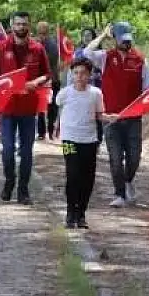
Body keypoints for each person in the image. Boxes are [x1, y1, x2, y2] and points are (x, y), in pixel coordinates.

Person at [80, 21, 149, 207]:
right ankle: (120, 194)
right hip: (111, 117)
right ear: (115, 39)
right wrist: (102, 36)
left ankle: (128, 180)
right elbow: (86, 53)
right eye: (122, 40)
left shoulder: (140, 60)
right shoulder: (105, 57)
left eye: (128, 40)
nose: (126, 44)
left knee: (134, 156)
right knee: (115, 157)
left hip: (133, 117)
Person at [0, 12, 52, 205]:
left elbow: (47, 74)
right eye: (18, 24)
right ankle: (9, 181)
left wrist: (36, 81)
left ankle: (23, 190)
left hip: (29, 107)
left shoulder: (37, 49)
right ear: (12, 25)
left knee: (26, 152)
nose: (21, 27)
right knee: (8, 150)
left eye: (24, 24)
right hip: (7, 108)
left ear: (29, 25)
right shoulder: (1, 48)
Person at [57, 57, 105, 229]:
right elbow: (59, 107)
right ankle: (70, 213)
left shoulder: (96, 94)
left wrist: (109, 117)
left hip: (89, 140)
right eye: (76, 73)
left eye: (83, 73)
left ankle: (81, 213)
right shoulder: (65, 93)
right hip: (69, 139)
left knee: (88, 178)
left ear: (89, 75)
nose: (79, 76)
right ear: (72, 74)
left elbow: (99, 115)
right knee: (72, 175)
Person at [35, 21, 61, 141]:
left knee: (52, 106)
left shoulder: (51, 44)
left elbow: (51, 61)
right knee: (41, 106)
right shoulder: (37, 43)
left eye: (42, 32)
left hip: (51, 79)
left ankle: (50, 131)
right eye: (39, 32)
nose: (41, 35)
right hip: (41, 79)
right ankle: (42, 132)